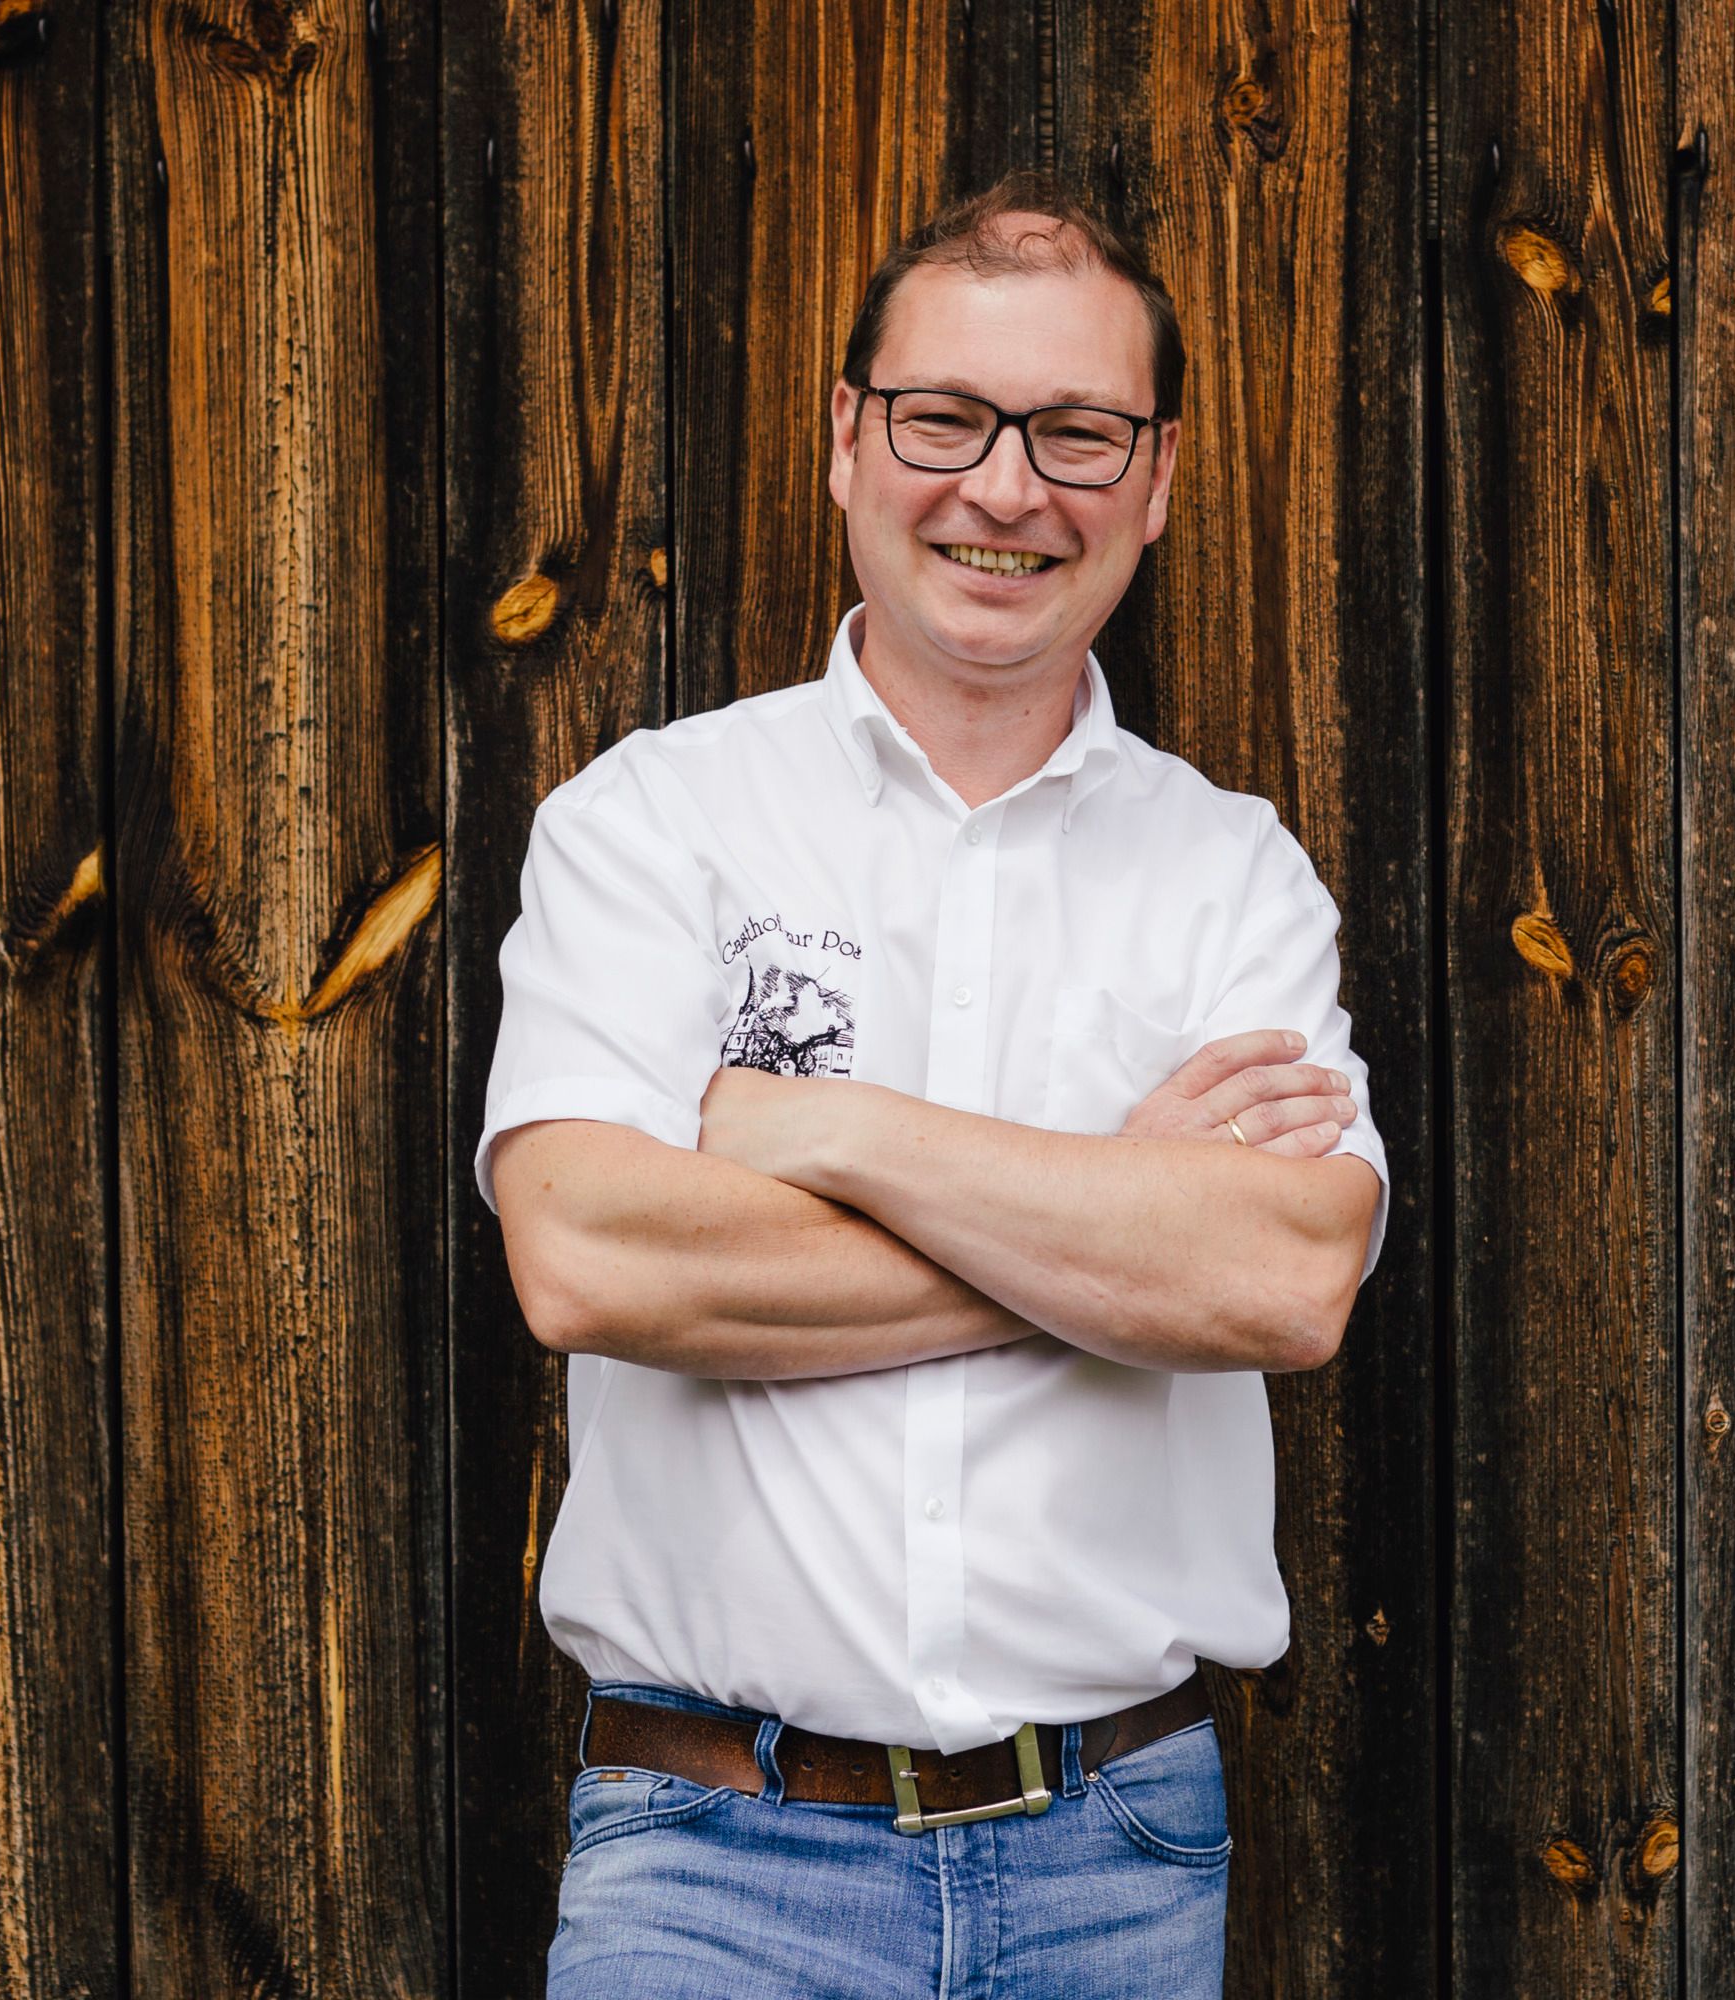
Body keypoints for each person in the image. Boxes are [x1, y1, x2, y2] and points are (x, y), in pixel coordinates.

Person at [475, 167, 1391, 1999]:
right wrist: (1107, 1226)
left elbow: (1281, 1281)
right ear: (846, 438)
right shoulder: (655, 824)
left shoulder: (1235, 876)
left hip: (1114, 1863)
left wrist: (820, 1132)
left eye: (1075, 431)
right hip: (708, 1872)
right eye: (946, 417)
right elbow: (590, 1263)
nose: (1001, 485)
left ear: (1156, 477)